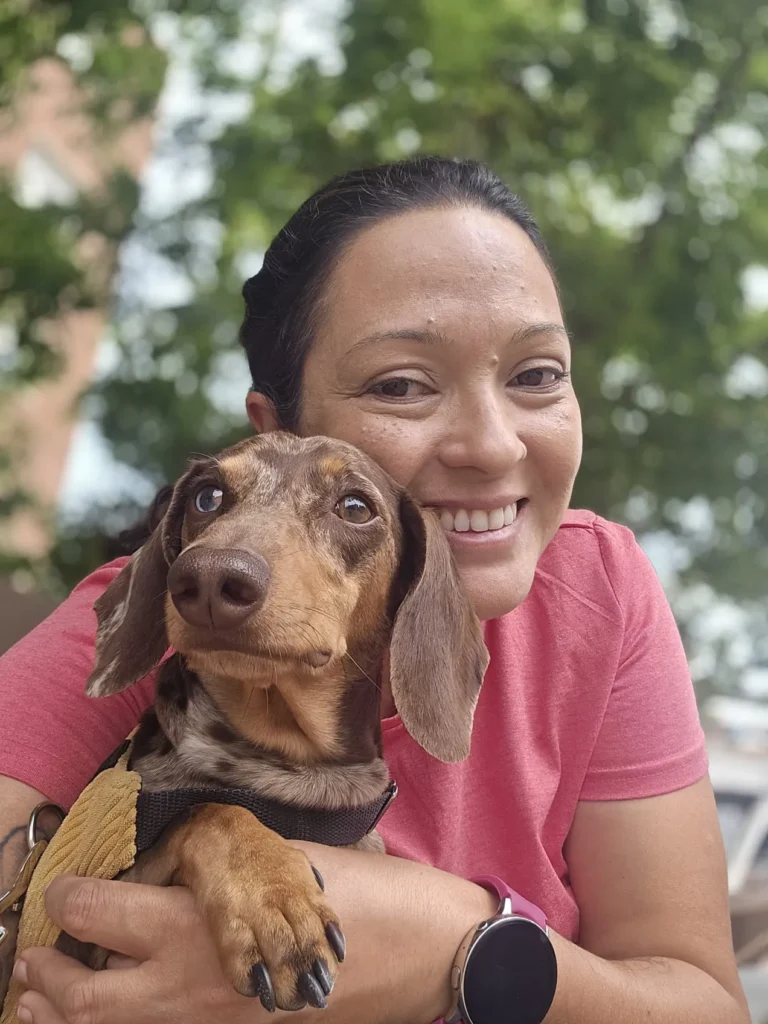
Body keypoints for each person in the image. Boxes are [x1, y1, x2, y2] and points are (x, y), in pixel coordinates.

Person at [0, 157, 747, 1024]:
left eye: (537, 375)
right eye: (401, 384)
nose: (493, 445)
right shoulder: (191, 599)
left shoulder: (599, 594)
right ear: (278, 430)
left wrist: (456, 947)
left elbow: (704, 1004)